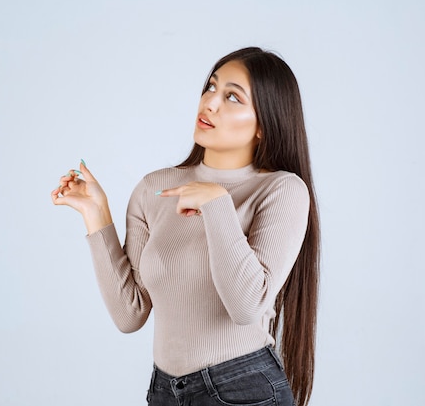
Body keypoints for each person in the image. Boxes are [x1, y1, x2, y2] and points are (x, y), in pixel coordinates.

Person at [51, 47, 321, 406]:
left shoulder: (281, 190)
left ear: (263, 125)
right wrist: (96, 213)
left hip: (243, 389)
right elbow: (130, 313)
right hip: (164, 390)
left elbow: (246, 307)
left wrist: (217, 204)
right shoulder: (155, 188)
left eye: (232, 97)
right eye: (211, 87)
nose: (210, 103)